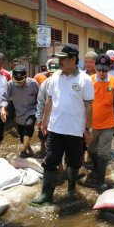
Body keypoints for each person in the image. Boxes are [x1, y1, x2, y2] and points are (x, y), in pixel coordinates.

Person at [31, 45, 94, 206]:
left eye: (62, 59)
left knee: (74, 162)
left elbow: (88, 106)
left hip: (75, 130)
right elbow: (49, 101)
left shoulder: (84, 79)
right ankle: (46, 194)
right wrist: (44, 121)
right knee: (50, 160)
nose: (59, 61)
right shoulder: (54, 78)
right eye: (58, 58)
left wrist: (88, 129)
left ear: (73, 60)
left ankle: (71, 189)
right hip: (55, 129)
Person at [87, 54, 114, 189]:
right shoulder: (88, 81)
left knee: (104, 152)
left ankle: (101, 179)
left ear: (109, 68)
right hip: (91, 124)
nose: (102, 73)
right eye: (99, 69)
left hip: (108, 123)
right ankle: (97, 169)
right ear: (95, 68)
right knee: (92, 149)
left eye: (105, 70)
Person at [0, 65, 39, 158]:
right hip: (19, 114)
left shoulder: (33, 83)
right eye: (16, 81)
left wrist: (41, 116)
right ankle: (28, 150)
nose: (19, 83)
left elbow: (40, 99)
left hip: (31, 110)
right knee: (22, 136)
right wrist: (3, 109)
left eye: (21, 81)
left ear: (26, 77)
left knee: (29, 126)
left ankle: (22, 151)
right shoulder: (10, 84)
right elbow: (5, 98)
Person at [35, 58, 60, 158]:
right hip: (48, 116)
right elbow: (40, 102)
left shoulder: (65, 83)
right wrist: (39, 119)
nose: (53, 74)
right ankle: (42, 148)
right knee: (43, 134)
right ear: (48, 71)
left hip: (61, 118)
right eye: (51, 72)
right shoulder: (44, 85)